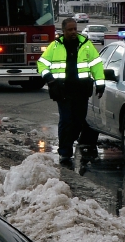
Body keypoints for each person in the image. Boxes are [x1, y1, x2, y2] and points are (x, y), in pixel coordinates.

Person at [37, 17, 105, 165]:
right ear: (64, 31)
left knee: (79, 121)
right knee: (66, 121)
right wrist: (48, 77)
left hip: (81, 90)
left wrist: (100, 83)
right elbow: (41, 64)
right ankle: (65, 152)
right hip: (63, 91)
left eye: (75, 29)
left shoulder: (86, 45)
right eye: (70, 29)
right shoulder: (55, 46)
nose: (74, 32)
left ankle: (69, 141)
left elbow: (96, 65)